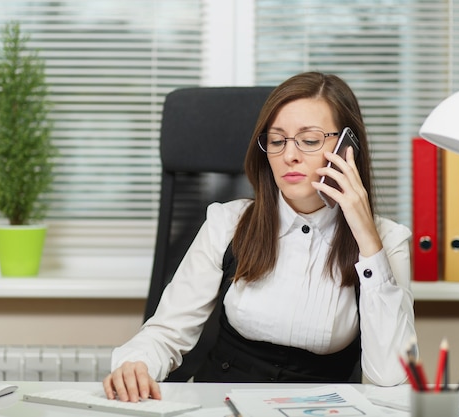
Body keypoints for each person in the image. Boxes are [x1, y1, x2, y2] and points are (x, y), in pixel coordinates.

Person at [103, 71, 416, 402]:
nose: (289, 155)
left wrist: (367, 239)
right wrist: (134, 363)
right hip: (219, 405)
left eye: (309, 140)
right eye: (277, 140)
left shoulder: (387, 241)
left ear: (347, 149)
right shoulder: (227, 223)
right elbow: (167, 332)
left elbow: (391, 380)